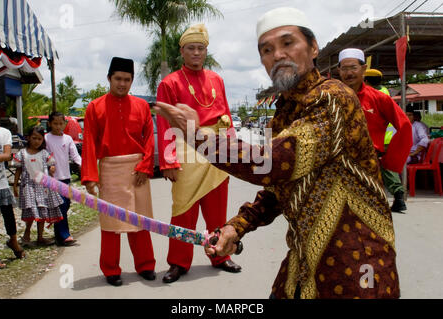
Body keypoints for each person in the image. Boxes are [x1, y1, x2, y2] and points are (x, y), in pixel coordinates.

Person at [155, 7, 401, 299]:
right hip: (303, 259)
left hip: (357, 262)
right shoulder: (284, 113)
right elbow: (277, 189)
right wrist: (237, 227)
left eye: (288, 43)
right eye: (267, 49)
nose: (277, 55)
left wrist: (197, 137)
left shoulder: (333, 98)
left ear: (313, 48)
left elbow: (275, 164)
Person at [156, 23, 241, 284]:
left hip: (216, 149)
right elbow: (163, 124)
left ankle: (220, 255)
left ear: (206, 51)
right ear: (182, 51)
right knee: (183, 210)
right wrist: (168, 159)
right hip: (185, 148)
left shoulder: (217, 80)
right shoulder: (169, 83)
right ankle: (178, 262)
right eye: (190, 48)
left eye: (200, 48)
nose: (196, 53)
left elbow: (225, 114)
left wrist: (233, 152)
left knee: (217, 211)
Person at [81, 57, 156, 287]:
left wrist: (145, 166)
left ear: (132, 81)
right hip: (110, 169)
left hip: (137, 170)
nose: (122, 84)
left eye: (127, 79)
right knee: (111, 224)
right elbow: (90, 145)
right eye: (118, 79)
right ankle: (111, 269)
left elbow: (149, 139)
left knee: (140, 222)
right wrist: (90, 177)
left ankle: (145, 265)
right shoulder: (95, 107)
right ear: (109, 79)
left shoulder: (143, 106)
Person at [338, 48, 412, 213]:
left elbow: (405, 126)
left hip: (368, 166)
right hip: (336, 166)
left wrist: (391, 160)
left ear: (363, 69)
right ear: (338, 71)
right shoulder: (330, 97)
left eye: (353, 68)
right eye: (344, 68)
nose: (348, 73)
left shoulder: (379, 98)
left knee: (369, 218)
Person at [13, 126, 63, 246]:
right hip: (28, 187)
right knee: (30, 210)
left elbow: (52, 167)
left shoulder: (44, 153)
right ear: (28, 138)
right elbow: (18, 170)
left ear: (42, 140)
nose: (36, 141)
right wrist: (15, 185)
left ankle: (40, 237)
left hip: (43, 187)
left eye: (39, 139)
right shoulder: (22, 154)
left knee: (42, 210)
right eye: (34, 138)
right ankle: (27, 234)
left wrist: (52, 169)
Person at [0, 100, 25, 267]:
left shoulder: (4, 133)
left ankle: (13, 242)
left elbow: (7, 155)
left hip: (1, 183)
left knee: (9, 216)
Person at [45, 112, 81, 246]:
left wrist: (82, 165)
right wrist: (48, 167)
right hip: (53, 178)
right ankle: (64, 235)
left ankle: (59, 234)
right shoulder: (46, 138)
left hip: (65, 177)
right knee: (60, 205)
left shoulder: (68, 139)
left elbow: (75, 155)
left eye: (61, 123)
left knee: (65, 204)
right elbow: (43, 155)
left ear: (64, 124)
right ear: (50, 124)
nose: (58, 126)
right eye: (55, 123)